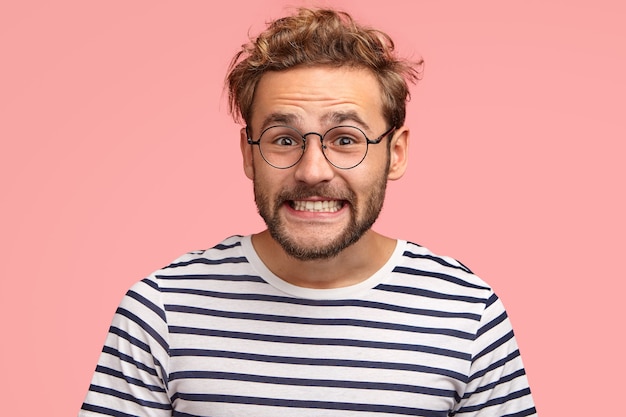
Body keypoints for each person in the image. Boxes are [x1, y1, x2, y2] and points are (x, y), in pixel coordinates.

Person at [79, 7, 537, 417]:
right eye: (283, 139)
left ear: (395, 154)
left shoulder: (466, 313)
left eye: (345, 139)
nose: (313, 170)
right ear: (248, 154)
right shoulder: (160, 311)